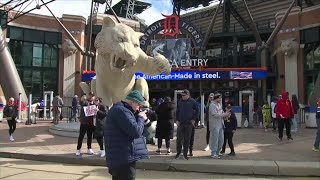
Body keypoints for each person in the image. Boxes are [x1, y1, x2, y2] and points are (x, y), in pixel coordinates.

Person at [104, 90, 149, 180]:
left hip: (119, 157)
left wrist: (138, 116)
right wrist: (140, 118)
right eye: (138, 105)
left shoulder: (120, 109)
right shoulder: (122, 111)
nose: (138, 108)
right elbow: (136, 132)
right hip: (123, 159)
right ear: (132, 101)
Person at [175, 89, 199, 160]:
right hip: (181, 123)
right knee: (179, 139)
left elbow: (197, 111)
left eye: (184, 95)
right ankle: (178, 153)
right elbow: (177, 111)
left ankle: (185, 154)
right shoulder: (180, 101)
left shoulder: (192, 101)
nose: (182, 96)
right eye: (182, 95)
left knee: (187, 139)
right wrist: (177, 120)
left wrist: (194, 120)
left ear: (188, 95)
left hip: (189, 123)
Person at [209, 93, 230, 159]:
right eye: (219, 98)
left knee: (221, 139)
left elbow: (221, 113)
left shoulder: (219, 105)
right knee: (215, 139)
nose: (220, 99)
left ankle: (218, 152)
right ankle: (213, 153)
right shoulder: (212, 105)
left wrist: (226, 114)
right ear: (216, 98)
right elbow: (215, 114)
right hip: (214, 125)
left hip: (220, 124)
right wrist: (224, 114)